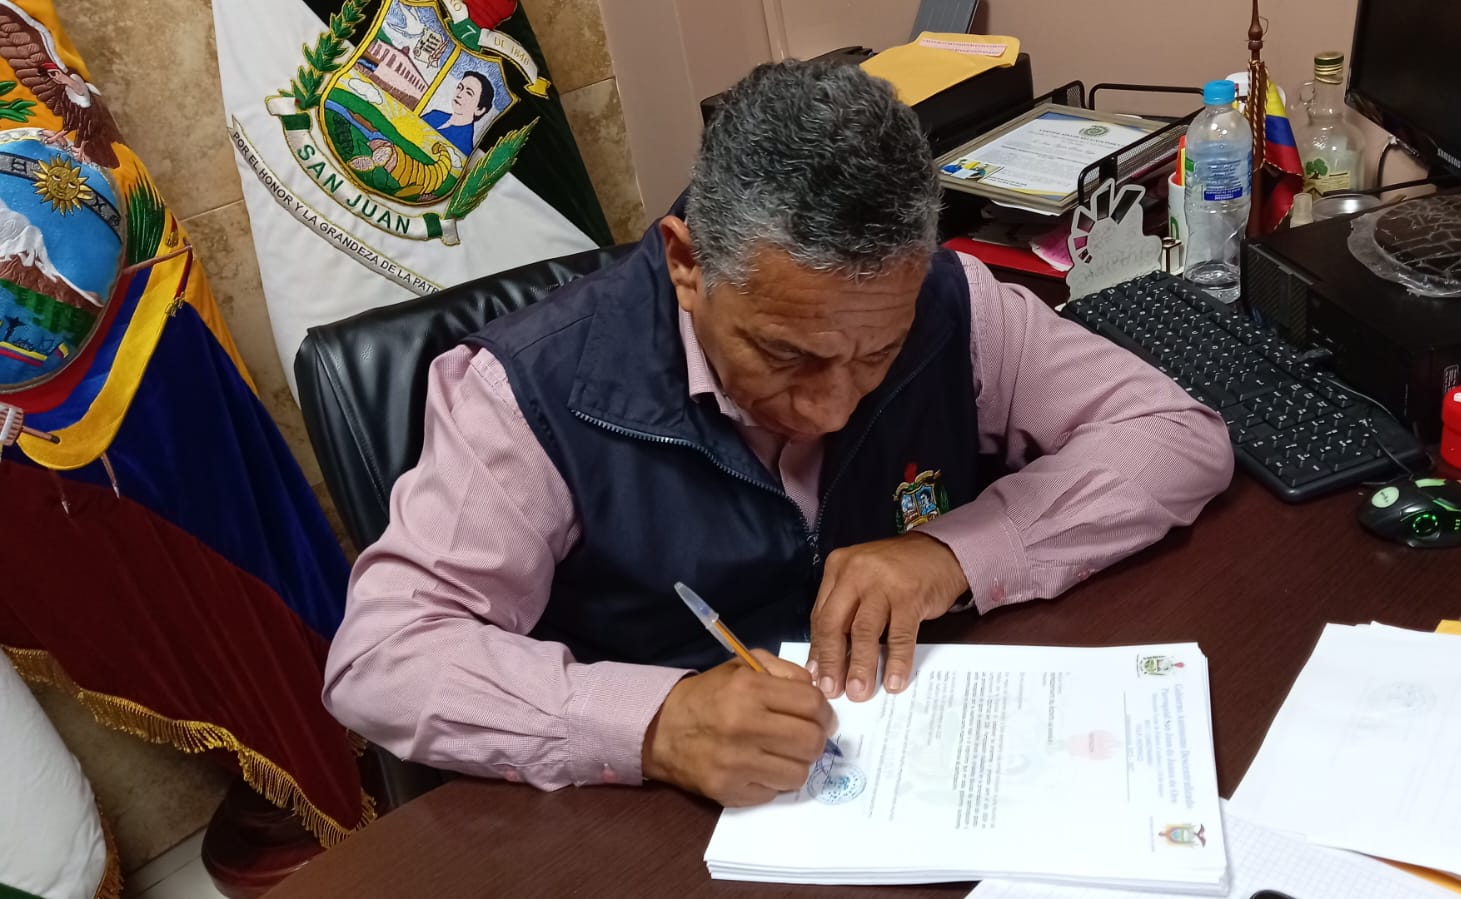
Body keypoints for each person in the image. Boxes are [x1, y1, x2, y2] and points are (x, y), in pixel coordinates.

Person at [324, 60, 1233, 808]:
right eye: (786, 354)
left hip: (909, 766)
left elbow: (1174, 433)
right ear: (686, 263)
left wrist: (955, 551)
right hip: (647, 823)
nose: (831, 408)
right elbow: (383, 655)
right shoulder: (529, 390)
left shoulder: (949, 304)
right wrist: (655, 722)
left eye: (876, 354)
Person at [421, 70, 493, 157]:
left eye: (469, 93)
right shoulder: (434, 115)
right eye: (460, 87)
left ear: (479, 109)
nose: (460, 94)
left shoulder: (464, 145)